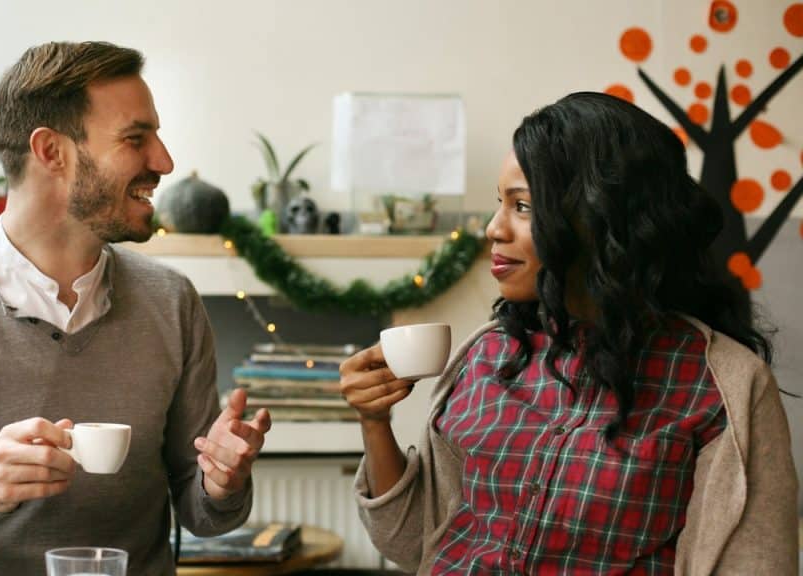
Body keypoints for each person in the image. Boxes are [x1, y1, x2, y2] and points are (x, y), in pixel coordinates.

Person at [0, 41, 271, 575]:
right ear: (52, 151)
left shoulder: (172, 302)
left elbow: (204, 514)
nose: (165, 161)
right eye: (136, 138)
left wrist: (222, 482)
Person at [339, 92, 798, 574]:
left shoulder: (724, 383)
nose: (494, 229)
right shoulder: (486, 354)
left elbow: (757, 561)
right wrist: (374, 421)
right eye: (501, 204)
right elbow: (414, 542)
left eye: (523, 206)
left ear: (600, 219)